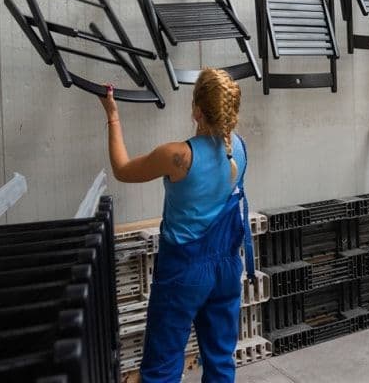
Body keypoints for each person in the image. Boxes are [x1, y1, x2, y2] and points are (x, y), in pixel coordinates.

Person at [99, 68, 255, 383]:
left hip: (184, 271)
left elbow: (123, 169)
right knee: (221, 360)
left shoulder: (178, 156)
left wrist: (112, 115)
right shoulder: (239, 147)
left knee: (163, 365)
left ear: (196, 110)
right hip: (226, 266)